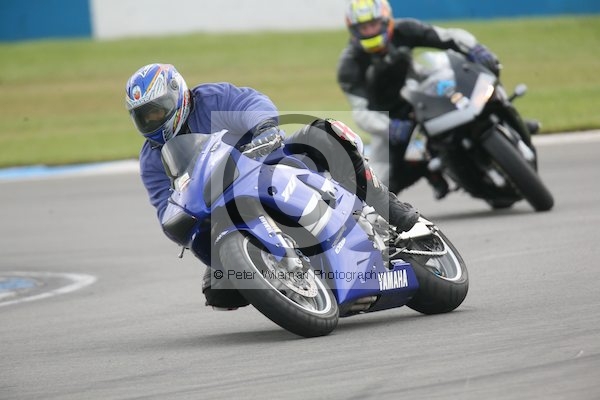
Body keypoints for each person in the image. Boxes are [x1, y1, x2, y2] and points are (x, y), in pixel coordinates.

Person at [125, 63, 419, 309]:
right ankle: (294, 286)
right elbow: (165, 205)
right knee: (219, 292)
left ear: (177, 95)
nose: (153, 120)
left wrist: (264, 128)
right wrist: (178, 222)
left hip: (267, 166)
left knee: (326, 134)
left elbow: (250, 104)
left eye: (157, 110)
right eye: (144, 117)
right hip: (222, 211)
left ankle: (393, 211)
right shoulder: (152, 160)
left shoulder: (210, 99)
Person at [338, 0, 506, 199]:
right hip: (391, 118)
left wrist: (475, 48)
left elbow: (448, 36)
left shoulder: (405, 29)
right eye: (363, 28)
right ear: (354, 30)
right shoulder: (349, 65)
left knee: (478, 74)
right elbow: (360, 111)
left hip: (419, 90)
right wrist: (389, 127)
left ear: (386, 21)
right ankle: (432, 172)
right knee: (377, 185)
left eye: (373, 24)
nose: (370, 31)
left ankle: (503, 110)